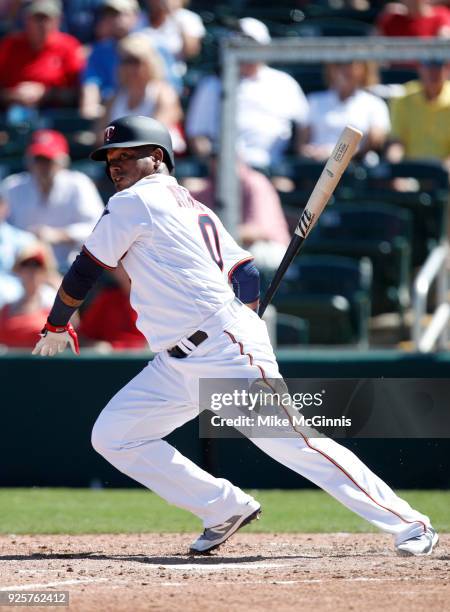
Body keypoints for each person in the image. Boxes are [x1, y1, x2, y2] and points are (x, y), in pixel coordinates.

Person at [32, 115, 438, 557]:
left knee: (297, 445)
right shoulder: (191, 205)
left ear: (159, 158)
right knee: (115, 434)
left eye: (129, 154)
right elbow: (245, 274)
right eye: (111, 158)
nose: (117, 165)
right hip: (177, 361)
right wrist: (245, 316)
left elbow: (86, 269)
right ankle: (222, 507)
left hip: (222, 348)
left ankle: (410, 522)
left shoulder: (136, 202)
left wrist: (56, 322)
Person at [185, 18, 309, 169]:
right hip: (223, 171)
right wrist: (213, 166)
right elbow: (198, 136)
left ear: (264, 47)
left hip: (274, 169)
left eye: (250, 45)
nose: (245, 52)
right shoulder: (212, 84)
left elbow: (305, 127)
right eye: (238, 46)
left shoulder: (284, 82)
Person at [1, 129, 104, 270]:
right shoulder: (12, 186)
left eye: (49, 160)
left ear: (62, 161)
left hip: (68, 268)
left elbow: (99, 227)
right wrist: (25, 239)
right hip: (20, 269)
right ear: (29, 161)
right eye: (39, 159)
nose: (43, 166)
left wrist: (60, 235)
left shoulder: (78, 184)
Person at [80, 0, 181, 119]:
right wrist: (91, 107)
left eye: (121, 13)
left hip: (153, 112)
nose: (115, 19)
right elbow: (91, 86)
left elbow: (171, 90)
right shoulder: (99, 51)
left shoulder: (155, 45)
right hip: (113, 112)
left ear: (136, 16)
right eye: (110, 14)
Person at [183, 160, 290, 270]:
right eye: (213, 157)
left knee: (234, 258)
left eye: (221, 157)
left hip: (269, 246)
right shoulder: (214, 183)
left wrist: (215, 233)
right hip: (234, 246)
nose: (216, 162)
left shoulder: (255, 182)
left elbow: (259, 231)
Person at [101, 33, 184, 152]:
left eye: (136, 61)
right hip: (123, 159)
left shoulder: (163, 93)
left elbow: (155, 132)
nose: (130, 68)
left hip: (163, 158)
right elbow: (102, 133)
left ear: (150, 63)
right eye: (126, 61)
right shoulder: (114, 97)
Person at [0, 0, 85, 111]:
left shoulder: (69, 46)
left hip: (54, 113)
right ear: (26, 20)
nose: (42, 24)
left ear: (58, 21)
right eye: (37, 18)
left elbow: (77, 93)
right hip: (12, 112)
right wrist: (12, 95)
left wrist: (45, 94)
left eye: (47, 19)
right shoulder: (11, 45)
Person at [298, 62, 391, 162]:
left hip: (356, 168)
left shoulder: (375, 103)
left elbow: (376, 141)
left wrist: (337, 156)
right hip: (316, 168)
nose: (344, 70)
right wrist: (311, 152)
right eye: (339, 64)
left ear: (364, 69)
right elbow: (301, 143)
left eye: (350, 65)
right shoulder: (314, 100)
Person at [387, 61, 450, 167]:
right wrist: (395, 167)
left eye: (439, 66)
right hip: (410, 174)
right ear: (420, 69)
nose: (433, 72)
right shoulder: (404, 98)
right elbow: (396, 142)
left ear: (447, 69)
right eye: (429, 66)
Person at [0, 243, 58, 349]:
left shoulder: (55, 303)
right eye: (26, 265)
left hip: (42, 364)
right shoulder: (6, 302)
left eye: (37, 265)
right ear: (19, 271)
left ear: (45, 272)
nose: (32, 271)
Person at [79, 264, 147, 350]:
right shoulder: (107, 299)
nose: (127, 271)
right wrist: (98, 347)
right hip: (110, 362)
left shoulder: (156, 300)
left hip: (150, 361)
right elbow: (82, 337)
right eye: (121, 265)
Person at [139, 0, 205, 78]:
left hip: (175, 75)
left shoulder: (187, 18)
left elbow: (191, 51)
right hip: (140, 73)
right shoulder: (139, 18)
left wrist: (175, 17)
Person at [376, 0, 450, 37]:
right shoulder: (391, 19)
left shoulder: (441, 16)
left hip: (431, 66)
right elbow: (375, 46)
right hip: (398, 67)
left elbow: (445, 38)